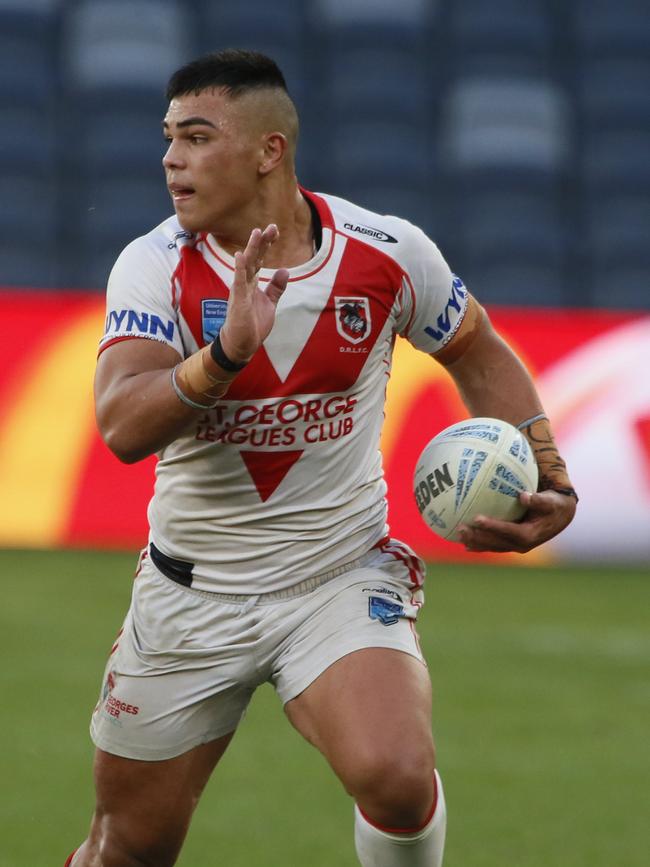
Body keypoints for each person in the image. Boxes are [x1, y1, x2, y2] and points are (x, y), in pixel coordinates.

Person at [65, 49, 577, 867]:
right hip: (192, 593)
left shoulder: (386, 252)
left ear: (269, 150)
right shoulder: (154, 264)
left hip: (337, 576)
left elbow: (475, 348)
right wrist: (224, 353)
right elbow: (123, 425)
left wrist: (550, 473)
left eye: (197, 137)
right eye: (168, 138)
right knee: (129, 847)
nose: (170, 158)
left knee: (399, 775)